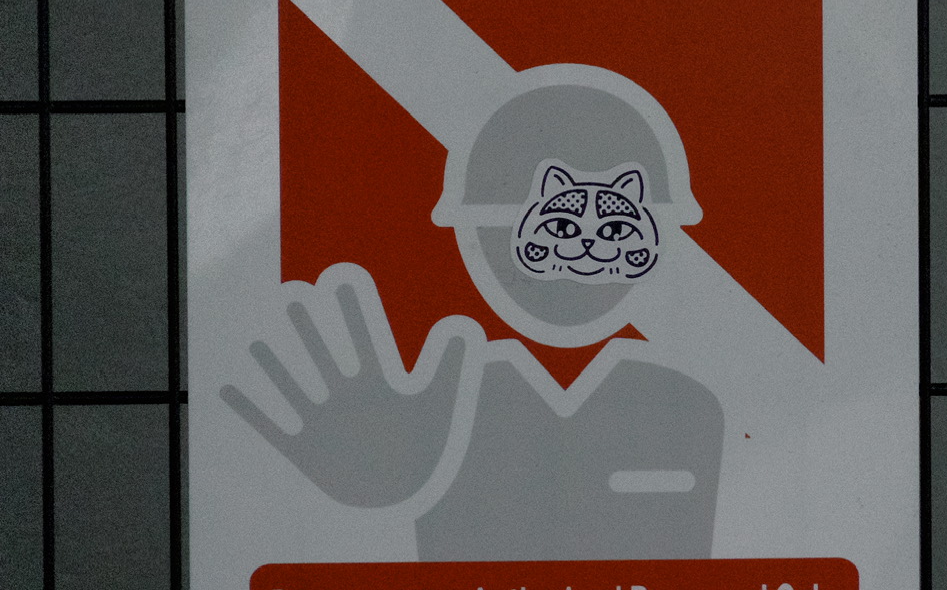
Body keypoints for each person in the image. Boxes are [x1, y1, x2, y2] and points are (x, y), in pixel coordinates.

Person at [223, 65, 725, 558]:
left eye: (614, 231)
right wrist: (378, 481)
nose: (589, 248)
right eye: (563, 228)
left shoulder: (683, 404)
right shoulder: (456, 402)